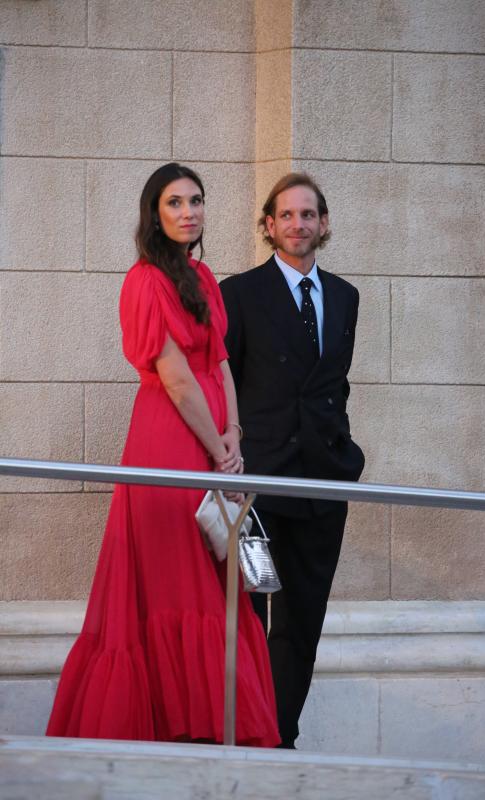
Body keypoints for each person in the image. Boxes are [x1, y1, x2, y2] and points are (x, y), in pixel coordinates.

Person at [46, 163, 280, 747]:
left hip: (211, 439)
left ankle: (205, 724)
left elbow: (220, 363)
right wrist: (218, 448)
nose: (188, 212)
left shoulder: (202, 276)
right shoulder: (144, 280)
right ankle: (169, 725)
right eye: (174, 202)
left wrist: (234, 436)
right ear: (155, 213)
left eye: (195, 201)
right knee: (177, 580)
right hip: (167, 441)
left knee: (210, 578)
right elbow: (176, 381)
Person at [219, 173, 365, 749]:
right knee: (252, 614)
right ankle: (247, 731)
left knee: (303, 618)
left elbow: (334, 385)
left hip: (324, 487)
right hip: (258, 492)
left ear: (322, 224)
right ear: (269, 224)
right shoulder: (240, 293)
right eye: (286, 215)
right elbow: (223, 383)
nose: (298, 224)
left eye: (309, 215)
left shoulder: (348, 296)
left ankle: (280, 737)